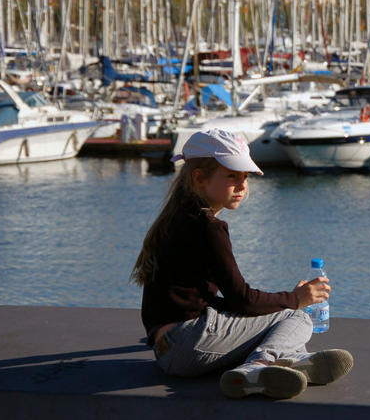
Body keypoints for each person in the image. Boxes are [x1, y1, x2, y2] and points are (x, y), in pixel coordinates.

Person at [131, 128, 353, 399]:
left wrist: (273, 306)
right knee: (297, 317)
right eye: (232, 176)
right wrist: (295, 298)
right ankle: (257, 367)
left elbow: (202, 301)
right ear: (200, 178)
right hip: (191, 343)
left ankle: (294, 362)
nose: (242, 186)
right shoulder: (210, 228)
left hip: (165, 349)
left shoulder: (174, 218)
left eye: (245, 177)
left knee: (274, 320)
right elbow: (242, 300)